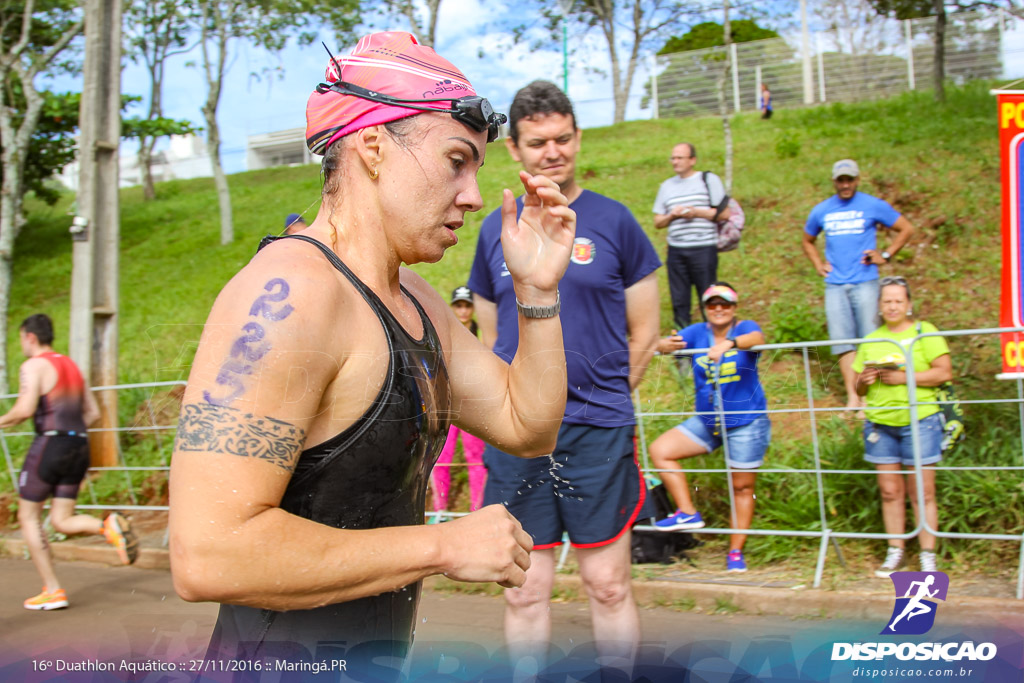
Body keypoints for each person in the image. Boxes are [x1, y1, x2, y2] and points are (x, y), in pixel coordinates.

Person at [168, 32, 576, 675]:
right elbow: (209, 554)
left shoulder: (414, 297)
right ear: (374, 146)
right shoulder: (288, 298)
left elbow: (527, 425)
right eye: (455, 161)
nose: (472, 194)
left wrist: (537, 292)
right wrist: (440, 546)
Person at [468, 79, 662, 671]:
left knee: (607, 584)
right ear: (515, 149)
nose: (552, 152)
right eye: (536, 142)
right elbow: (486, 338)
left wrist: (599, 399)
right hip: (519, 438)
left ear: (577, 137)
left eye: (562, 139)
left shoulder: (614, 222)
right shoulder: (494, 232)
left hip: (597, 430)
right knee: (525, 590)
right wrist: (516, 410)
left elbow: (646, 333)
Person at [0, 314, 138, 611]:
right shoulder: (72, 367)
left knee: (28, 517)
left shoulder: (33, 366)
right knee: (61, 518)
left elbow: (24, 409)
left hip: (50, 444)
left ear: (30, 337)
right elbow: (91, 413)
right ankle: (107, 526)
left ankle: (52, 589)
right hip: (79, 444)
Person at [648, 283, 770, 573]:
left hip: (746, 422)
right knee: (661, 450)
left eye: (725, 304)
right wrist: (662, 345)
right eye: (712, 304)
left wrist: (730, 343)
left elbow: (757, 337)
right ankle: (688, 513)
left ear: (734, 307)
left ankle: (736, 552)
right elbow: (666, 342)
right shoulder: (696, 332)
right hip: (708, 422)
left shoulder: (744, 327)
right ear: (705, 308)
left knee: (742, 487)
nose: (718, 309)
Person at [853, 276, 951, 577]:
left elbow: (944, 373)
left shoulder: (926, 333)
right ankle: (895, 550)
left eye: (898, 300)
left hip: (920, 421)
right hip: (880, 424)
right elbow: (857, 389)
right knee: (889, 491)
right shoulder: (871, 340)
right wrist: (864, 382)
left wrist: (904, 377)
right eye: (887, 301)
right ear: (880, 306)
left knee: (922, 492)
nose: (892, 306)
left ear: (908, 304)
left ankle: (927, 556)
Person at [802, 159, 915, 412]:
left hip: (865, 281)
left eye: (849, 180)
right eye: (841, 180)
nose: (845, 185)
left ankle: (869, 399)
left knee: (869, 339)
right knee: (843, 342)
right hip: (835, 284)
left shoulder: (871, 204)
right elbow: (807, 240)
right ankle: (853, 397)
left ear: (857, 180)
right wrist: (818, 263)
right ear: (834, 181)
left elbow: (906, 228)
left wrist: (885, 255)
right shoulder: (822, 210)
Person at [653, 142, 731, 329]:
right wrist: (673, 215)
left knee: (708, 296)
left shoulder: (708, 180)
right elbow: (657, 222)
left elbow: (724, 214)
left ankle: (713, 340)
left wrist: (695, 212)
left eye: (680, 157)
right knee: (679, 300)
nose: (675, 161)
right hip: (676, 251)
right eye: (673, 158)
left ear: (692, 160)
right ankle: (683, 347)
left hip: (703, 248)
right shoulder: (666, 186)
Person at [428, 286, 487, 521]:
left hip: (473, 403)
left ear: (473, 309)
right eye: (459, 306)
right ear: (453, 307)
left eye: (467, 306)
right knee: (442, 455)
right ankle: (440, 509)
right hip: (447, 403)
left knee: (476, 457)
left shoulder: (483, 334)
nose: (463, 311)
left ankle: (477, 510)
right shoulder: (444, 331)